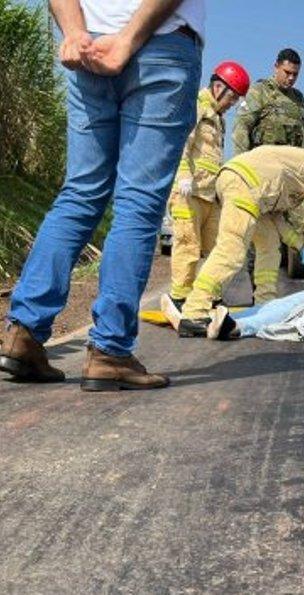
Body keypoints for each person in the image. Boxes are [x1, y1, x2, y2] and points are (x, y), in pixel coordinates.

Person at [0, 0, 202, 391]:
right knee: (138, 203)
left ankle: (23, 335)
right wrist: (128, 38)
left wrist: (75, 32)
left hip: (89, 49)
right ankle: (110, 351)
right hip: (159, 46)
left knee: (80, 194)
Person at [175, 145, 304, 337]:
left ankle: (265, 303)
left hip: (249, 189)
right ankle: (194, 311)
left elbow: (278, 221)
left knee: (270, 244)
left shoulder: (290, 172)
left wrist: (303, 247)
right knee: (231, 250)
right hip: (245, 185)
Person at [165, 61, 250, 314]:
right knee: (187, 246)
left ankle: (206, 296)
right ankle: (180, 298)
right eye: (231, 97)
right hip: (186, 192)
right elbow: (182, 143)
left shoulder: (218, 119)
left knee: (217, 247)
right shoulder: (197, 107)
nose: (232, 103)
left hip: (208, 195)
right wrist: (182, 175)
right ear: (217, 87)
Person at [232, 48, 304, 288]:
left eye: (295, 75)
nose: (291, 78)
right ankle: (254, 289)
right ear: (276, 67)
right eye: (287, 72)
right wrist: (242, 168)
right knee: (256, 233)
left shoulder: (299, 99)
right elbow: (241, 128)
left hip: (290, 180)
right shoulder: (260, 92)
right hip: (262, 176)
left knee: (300, 231)